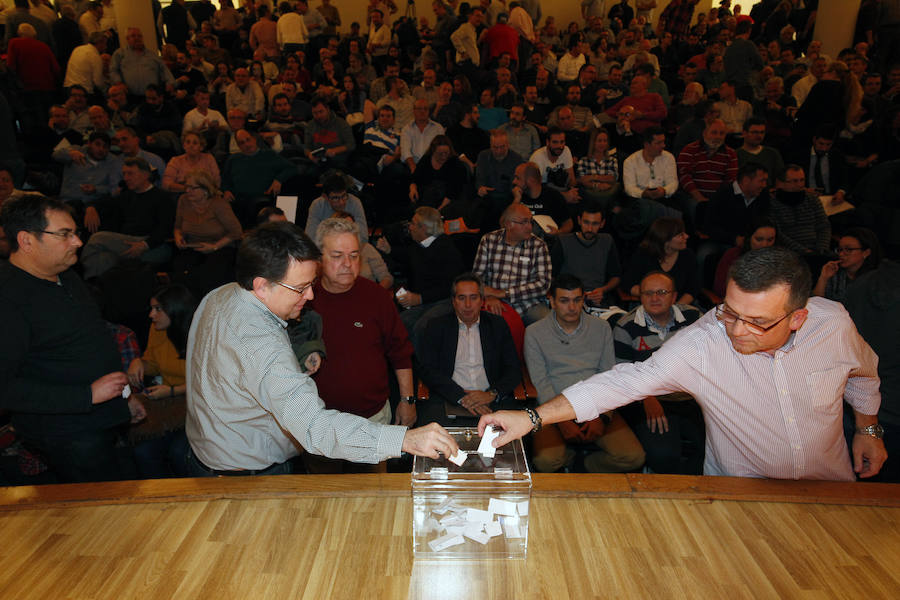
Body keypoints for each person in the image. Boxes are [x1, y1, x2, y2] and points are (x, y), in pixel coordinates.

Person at [481, 247, 887, 481]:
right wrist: (533, 418)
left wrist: (867, 429)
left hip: (830, 487)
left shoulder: (832, 323)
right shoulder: (704, 343)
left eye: (758, 321)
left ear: (798, 317)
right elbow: (623, 382)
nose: (738, 330)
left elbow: (863, 374)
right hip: (741, 496)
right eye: (731, 311)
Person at [185, 221, 457, 476]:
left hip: (206, 455)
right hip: (250, 473)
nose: (311, 296)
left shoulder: (219, 295)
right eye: (301, 288)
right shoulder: (262, 346)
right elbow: (315, 428)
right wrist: (405, 439)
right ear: (262, 286)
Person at [0, 194, 143, 483]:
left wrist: (124, 398)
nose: (78, 242)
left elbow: (91, 344)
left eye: (75, 233)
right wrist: (86, 395)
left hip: (105, 419)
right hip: (68, 433)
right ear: (27, 241)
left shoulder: (66, 275)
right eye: (64, 234)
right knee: (104, 517)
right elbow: (5, 387)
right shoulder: (8, 298)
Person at [306, 218, 420, 473]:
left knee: (375, 496)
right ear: (319, 258)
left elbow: (400, 353)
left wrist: (408, 400)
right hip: (319, 423)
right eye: (337, 256)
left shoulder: (376, 297)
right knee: (324, 500)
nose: (347, 264)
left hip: (372, 420)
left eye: (354, 255)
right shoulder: (303, 300)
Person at [525, 274, 645, 473]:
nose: (572, 307)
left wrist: (603, 416)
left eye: (577, 300)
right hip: (553, 405)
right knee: (546, 461)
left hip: (596, 403)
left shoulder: (602, 327)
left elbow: (608, 374)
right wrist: (561, 419)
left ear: (583, 299)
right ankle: (569, 459)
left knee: (633, 457)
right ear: (552, 302)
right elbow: (540, 381)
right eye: (564, 301)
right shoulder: (535, 332)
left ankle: (583, 466)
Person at [613, 271, 705, 474]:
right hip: (650, 399)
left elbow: (709, 360)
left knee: (718, 447)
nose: (655, 298)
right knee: (663, 455)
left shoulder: (694, 318)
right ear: (640, 297)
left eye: (661, 292)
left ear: (673, 296)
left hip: (693, 397)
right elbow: (623, 373)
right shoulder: (626, 327)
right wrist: (647, 397)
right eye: (648, 293)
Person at [417, 273, 522, 426]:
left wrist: (491, 394)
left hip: (491, 401)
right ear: (453, 301)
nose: (467, 304)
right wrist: (461, 397)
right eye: (461, 298)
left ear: (482, 301)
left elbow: (513, 369)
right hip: (450, 398)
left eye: (473, 298)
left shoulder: (497, 326)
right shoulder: (436, 326)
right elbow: (427, 369)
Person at [127, 284, 197, 479]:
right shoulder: (157, 329)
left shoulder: (200, 332)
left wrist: (172, 391)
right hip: (170, 406)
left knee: (178, 453)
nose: (151, 315)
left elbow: (210, 380)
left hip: (199, 405)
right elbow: (153, 365)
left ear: (176, 309)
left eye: (158, 309)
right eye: (151, 308)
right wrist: (137, 362)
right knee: (143, 453)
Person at [80, 157, 176, 280]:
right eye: (124, 174)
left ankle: (77, 274)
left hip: (154, 246)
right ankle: (95, 289)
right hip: (127, 242)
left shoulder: (162, 198)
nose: (125, 178)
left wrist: (144, 244)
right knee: (105, 258)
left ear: (145, 174)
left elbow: (165, 228)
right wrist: (91, 208)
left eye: (130, 174)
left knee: (97, 238)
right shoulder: (127, 195)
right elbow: (107, 203)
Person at [473, 202, 552, 325]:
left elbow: (543, 284)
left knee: (548, 324)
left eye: (530, 221)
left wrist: (504, 293)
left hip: (528, 304)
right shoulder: (489, 240)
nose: (530, 227)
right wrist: (490, 296)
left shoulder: (538, 245)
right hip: (493, 301)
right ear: (509, 224)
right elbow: (477, 277)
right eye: (524, 222)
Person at [172, 170, 242, 299]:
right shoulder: (183, 201)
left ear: (205, 189)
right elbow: (177, 226)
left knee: (210, 274)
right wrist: (178, 236)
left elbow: (236, 232)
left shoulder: (218, 204)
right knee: (181, 273)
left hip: (220, 247)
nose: (188, 191)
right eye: (186, 187)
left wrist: (214, 246)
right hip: (193, 246)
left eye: (193, 188)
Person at [551, 202, 621, 309]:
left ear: (602, 223)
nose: (589, 229)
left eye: (595, 224)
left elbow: (616, 277)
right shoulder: (563, 241)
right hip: (569, 298)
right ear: (579, 221)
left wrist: (603, 290)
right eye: (586, 222)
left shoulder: (607, 241)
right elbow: (551, 277)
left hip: (597, 298)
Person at [623, 217, 699, 306]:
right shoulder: (643, 254)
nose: (687, 236)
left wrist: (676, 309)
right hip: (647, 306)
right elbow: (628, 283)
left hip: (680, 306)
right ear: (665, 239)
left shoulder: (688, 256)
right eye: (680, 235)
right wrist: (654, 298)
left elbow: (693, 288)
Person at [770, 164, 831, 255]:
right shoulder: (772, 203)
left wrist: (821, 249)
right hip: (788, 252)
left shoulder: (812, 199)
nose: (800, 184)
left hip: (817, 249)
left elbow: (824, 226)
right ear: (781, 183)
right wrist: (804, 251)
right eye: (795, 181)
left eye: (802, 180)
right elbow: (778, 234)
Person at [712, 218, 778, 299]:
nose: (765, 244)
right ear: (749, 238)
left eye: (770, 240)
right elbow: (720, 288)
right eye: (759, 239)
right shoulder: (733, 255)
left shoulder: (778, 259)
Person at [813, 228, 882, 304]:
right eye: (840, 249)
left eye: (848, 249)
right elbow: (816, 304)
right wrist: (823, 277)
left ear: (866, 252)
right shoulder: (834, 272)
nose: (841, 254)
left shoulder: (877, 278)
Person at [305, 173, 368, 245]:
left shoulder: (355, 202)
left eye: (344, 196)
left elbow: (363, 237)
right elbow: (310, 237)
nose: (341, 202)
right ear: (325, 197)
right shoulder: (317, 205)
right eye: (335, 198)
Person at [512, 161, 573, 236]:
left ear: (531, 181)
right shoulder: (515, 194)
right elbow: (505, 224)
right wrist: (516, 200)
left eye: (518, 178)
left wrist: (558, 232)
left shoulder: (553, 196)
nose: (514, 181)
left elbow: (569, 224)